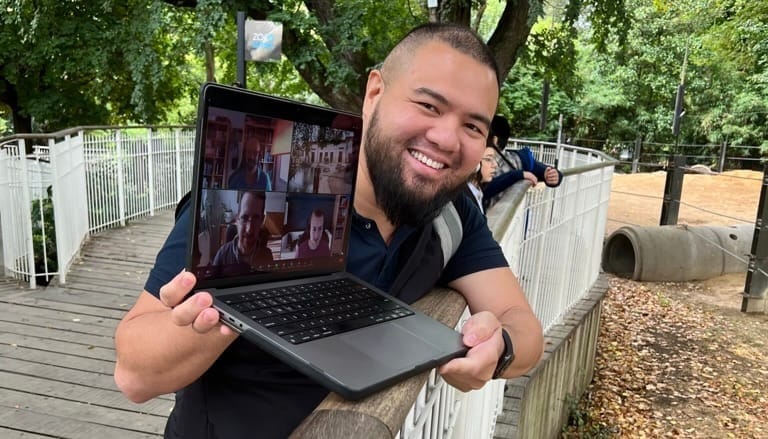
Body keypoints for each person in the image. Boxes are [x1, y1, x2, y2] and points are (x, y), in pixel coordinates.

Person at [114, 22, 543, 439]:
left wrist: (499, 348)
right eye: (429, 106)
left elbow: (523, 326)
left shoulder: (450, 214)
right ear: (374, 92)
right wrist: (225, 309)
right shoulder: (256, 198)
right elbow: (133, 376)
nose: (448, 139)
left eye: (473, 126)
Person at [211, 191, 273, 275]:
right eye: (244, 218)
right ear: (237, 219)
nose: (249, 229)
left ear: (262, 220)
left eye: (256, 218)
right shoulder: (222, 255)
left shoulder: (267, 256)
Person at [465, 146, 499, 214]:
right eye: (488, 159)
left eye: (494, 159)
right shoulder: (464, 198)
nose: (495, 165)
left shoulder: (478, 191)